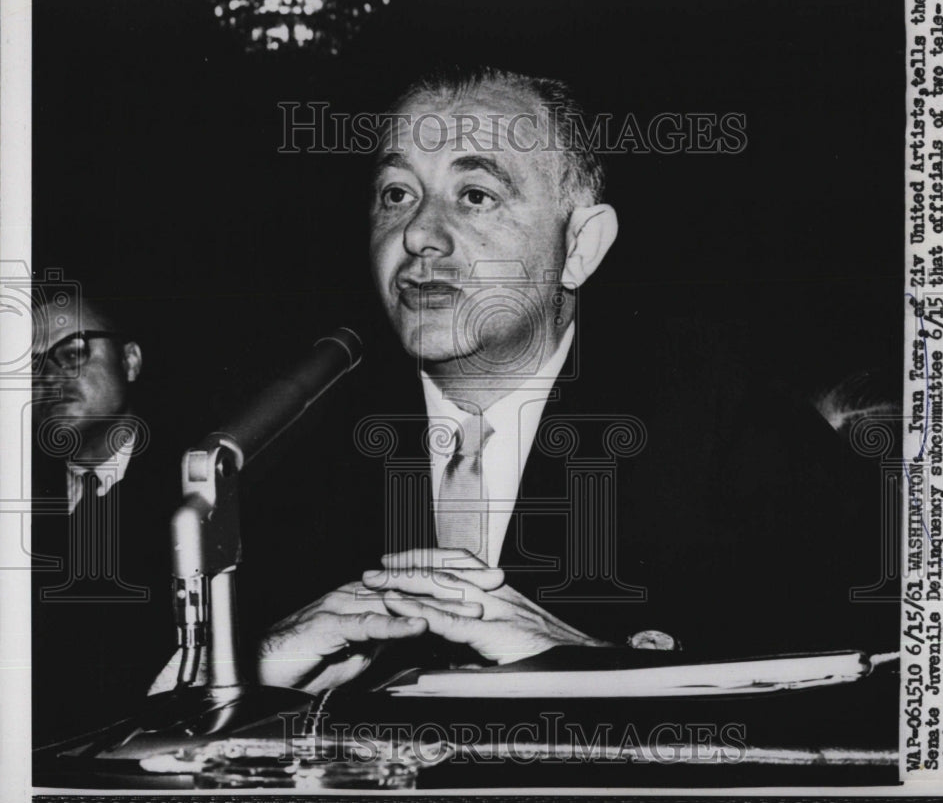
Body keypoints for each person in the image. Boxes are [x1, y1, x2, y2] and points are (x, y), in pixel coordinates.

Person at [247, 66, 898, 695]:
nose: (418, 233)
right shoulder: (280, 439)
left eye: (476, 196)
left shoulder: (722, 418)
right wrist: (251, 676)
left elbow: (869, 671)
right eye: (396, 194)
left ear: (580, 246)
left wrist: (593, 667)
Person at [31, 292, 178, 745]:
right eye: (31, 362)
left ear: (130, 361)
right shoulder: (21, 498)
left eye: (73, 350)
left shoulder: (206, 489)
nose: (50, 376)